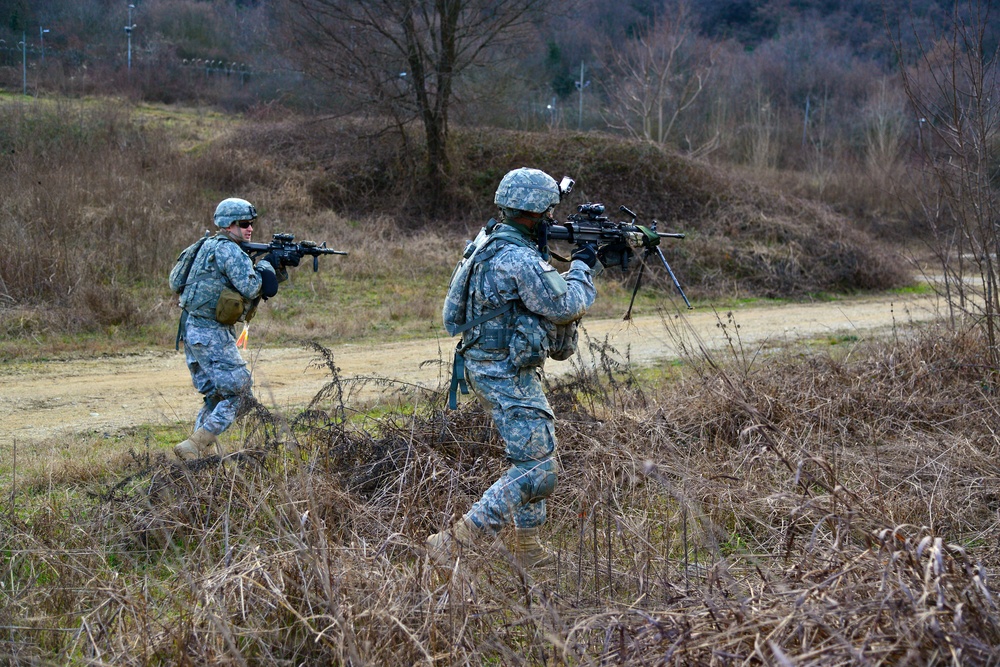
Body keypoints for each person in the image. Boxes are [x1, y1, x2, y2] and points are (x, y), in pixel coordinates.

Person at [428, 167, 602, 569]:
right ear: (533, 215)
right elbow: (565, 305)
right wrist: (583, 266)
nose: (553, 220)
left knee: (539, 449)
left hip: (491, 364)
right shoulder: (519, 259)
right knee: (538, 468)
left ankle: (527, 548)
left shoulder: (488, 240)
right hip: (503, 372)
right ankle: (454, 541)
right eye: (549, 213)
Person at [168, 197, 284, 461]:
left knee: (216, 396)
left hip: (191, 330)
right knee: (240, 396)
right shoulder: (229, 250)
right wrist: (266, 266)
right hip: (210, 333)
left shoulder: (205, 245)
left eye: (251, 223)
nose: (250, 228)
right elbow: (252, 288)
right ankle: (195, 446)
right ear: (229, 225)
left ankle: (191, 457)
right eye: (244, 224)